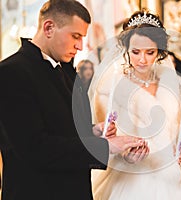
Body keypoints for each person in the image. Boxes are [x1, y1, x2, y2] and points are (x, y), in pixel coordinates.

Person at [0, 1, 145, 199]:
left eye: (82, 38)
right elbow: (35, 148)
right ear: (49, 28)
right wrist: (106, 146)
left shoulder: (66, 70)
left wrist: (93, 131)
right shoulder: (10, 72)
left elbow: (62, 126)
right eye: (75, 36)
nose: (80, 45)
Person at [89, 10, 181, 200]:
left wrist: (180, 145)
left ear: (159, 52)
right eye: (135, 52)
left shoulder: (168, 79)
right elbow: (104, 140)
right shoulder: (111, 86)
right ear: (126, 49)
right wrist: (125, 156)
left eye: (150, 52)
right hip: (131, 178)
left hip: (172, 176)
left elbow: (180, 124)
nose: (142, 60)